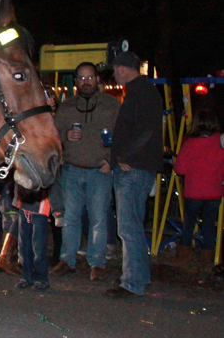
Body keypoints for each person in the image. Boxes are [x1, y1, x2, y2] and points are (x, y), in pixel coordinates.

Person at [49, 62, 120, 281]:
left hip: (99, 171)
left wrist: (112, 160)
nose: (86, 82)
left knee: (98, 219)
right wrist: (65, 137)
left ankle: (97, 262)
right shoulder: (67, 107)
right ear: (77, 81)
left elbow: (123, 137)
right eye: (82, 78)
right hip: (72, 170)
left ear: (98, 79)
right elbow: (52, 135)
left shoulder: (111, 105)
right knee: (70, 218)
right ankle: (67, 259)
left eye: (90, 78)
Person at [103, 52, 163, 298]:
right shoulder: (141, 91)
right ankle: (137, 274)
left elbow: (146, 131)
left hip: (134, 169)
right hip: (136, 166)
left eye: (116, 69)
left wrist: (125, 155)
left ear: (124, 69)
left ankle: (132, 282)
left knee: (128, 227)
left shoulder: (142, 92)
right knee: (132, 225)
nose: (114, 74)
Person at [173, 109, 224, 265]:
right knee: (209, 225)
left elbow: (180, 169)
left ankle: (184, 256)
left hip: (194, 192)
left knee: (189, 224)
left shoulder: (190, 144)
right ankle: (208, 258)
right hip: (214, 192)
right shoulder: (220, 142)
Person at [14, 184, 51, 291]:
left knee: (38, 248)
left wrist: (58, 211)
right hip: (24, 208)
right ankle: (27, 276)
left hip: (40, 211)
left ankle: (42, 278)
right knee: (23, 247)